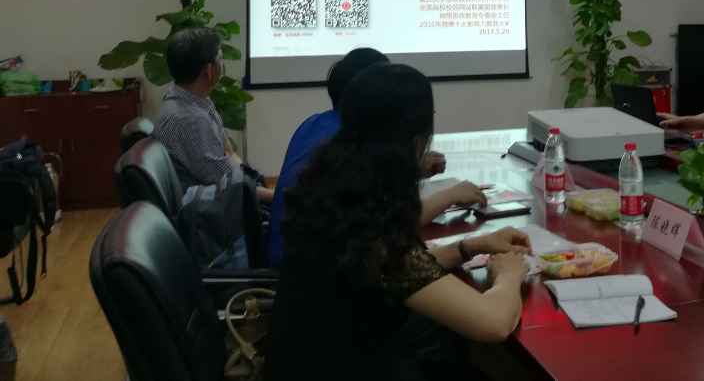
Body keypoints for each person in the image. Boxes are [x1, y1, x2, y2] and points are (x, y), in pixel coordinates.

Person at [265, 63, 531, 381]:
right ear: (416, 143)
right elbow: (495, 323)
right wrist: (508, 275)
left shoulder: (331, 190)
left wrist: (469, 247)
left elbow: (396, 271)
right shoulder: (373, 235)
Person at [267, 47, 486, 267]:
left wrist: (410, 167)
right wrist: (449, 196)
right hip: (317, 272)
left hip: (294, 262)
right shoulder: (353, 140)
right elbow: (388, 223)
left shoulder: (317, 125)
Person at [153, 27, 274, 203]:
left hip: (222, 198)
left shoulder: (187, 98)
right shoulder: (191, 120)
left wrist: (250, 181)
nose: (222, 64)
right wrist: (281, 196)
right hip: (212, 211)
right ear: (208, 70)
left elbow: (229, 153)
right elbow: (231, 189)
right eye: (220, 58)